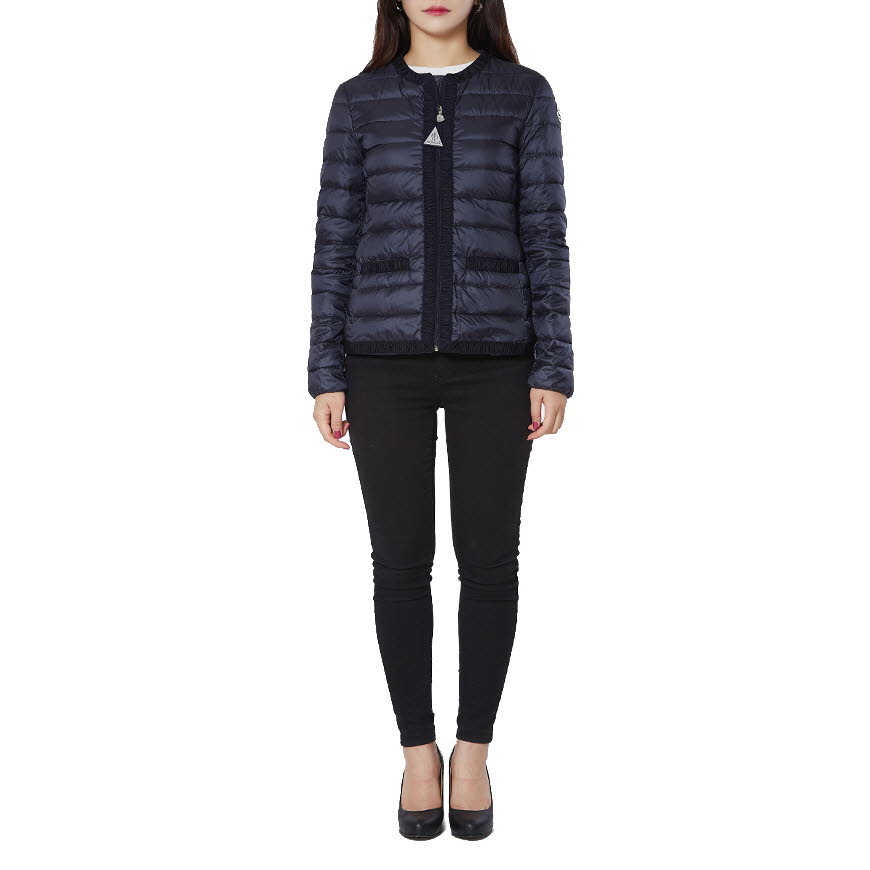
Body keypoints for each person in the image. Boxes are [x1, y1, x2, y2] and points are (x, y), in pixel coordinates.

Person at [308, 0, 572, 840]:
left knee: (489, 564)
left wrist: (554, 364)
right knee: (399, 565)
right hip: (379, 363)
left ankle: (474, 752)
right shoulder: (359, 101)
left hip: (498, 361)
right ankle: (417, 752)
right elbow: (335, 238)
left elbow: (546, 234)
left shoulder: (525, 95)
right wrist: (325, 369)